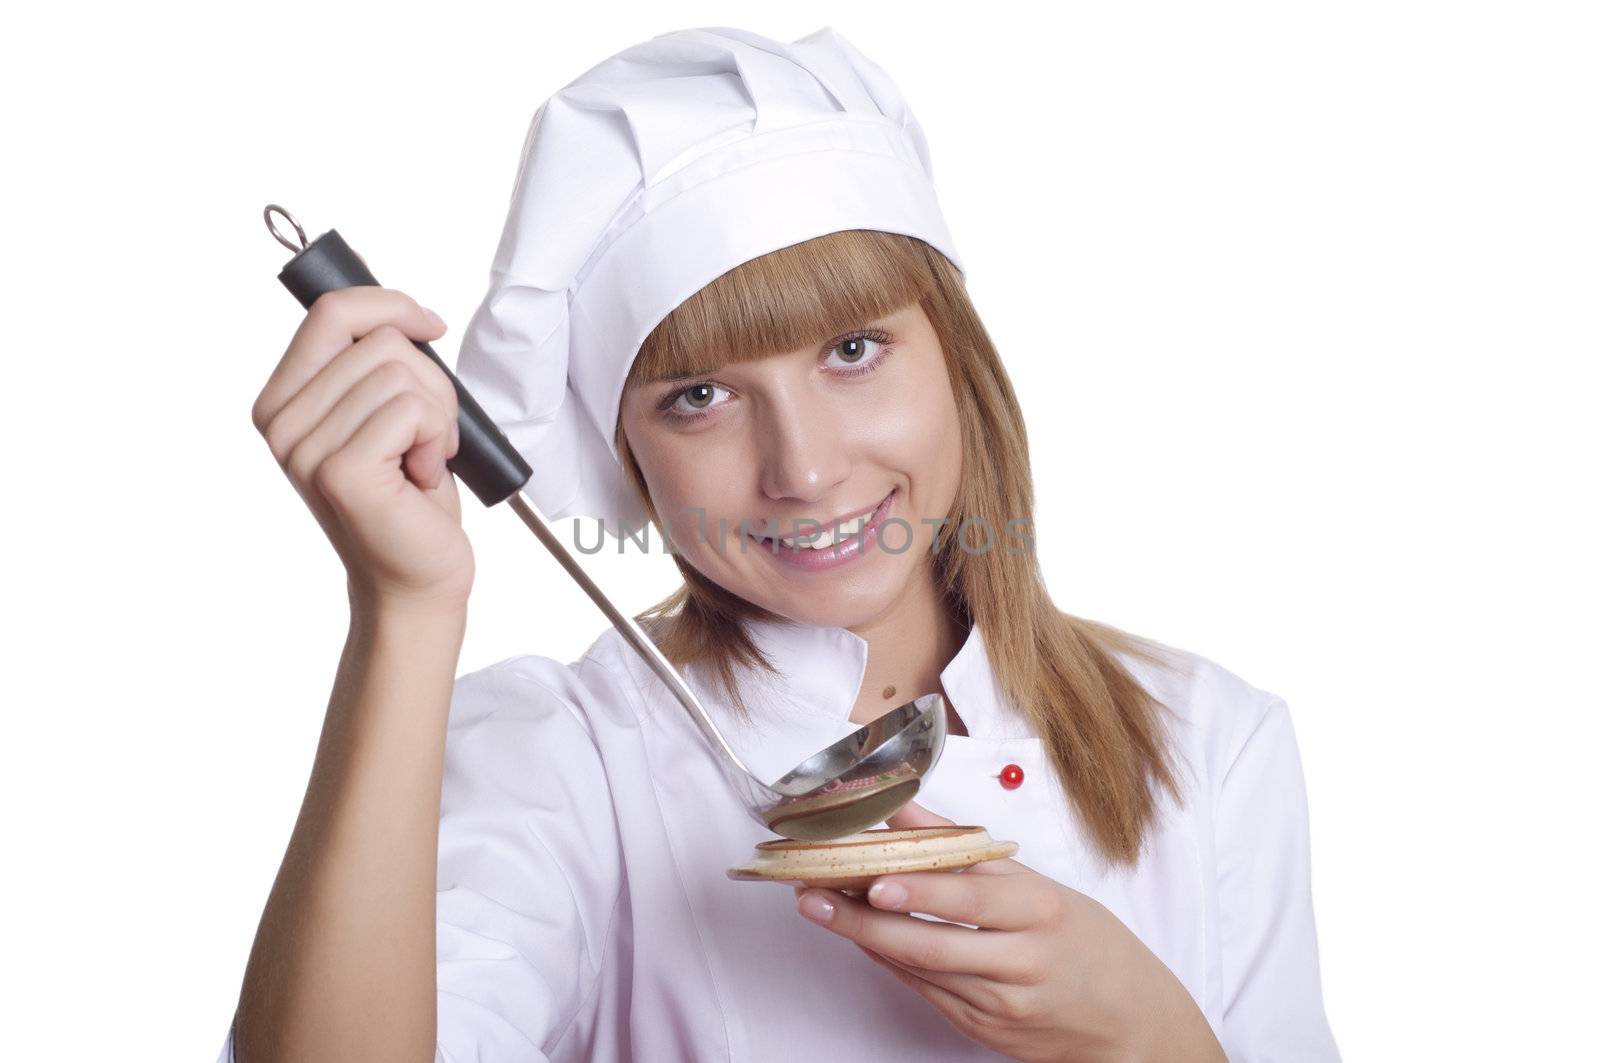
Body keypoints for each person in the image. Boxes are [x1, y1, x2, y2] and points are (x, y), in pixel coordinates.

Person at [218, 24, 1339, 1063]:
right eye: (697, 395)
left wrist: (1149, 1032)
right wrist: (405, 609)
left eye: (853, 349)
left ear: (955, 359)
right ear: (625, 452)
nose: (801, 470)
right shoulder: (566, 764)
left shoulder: (1207, 744)